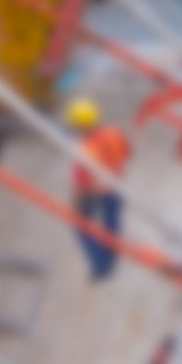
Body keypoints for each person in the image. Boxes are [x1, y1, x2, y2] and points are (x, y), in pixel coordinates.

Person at [66, 97, 130, 283]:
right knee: (112, 222)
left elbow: (81, 181)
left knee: (82, 227)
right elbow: (127, 152)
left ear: (81, 125)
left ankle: (101, 267)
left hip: (94, 190)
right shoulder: (114, 133)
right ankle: (112, 256)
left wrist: (76, 202)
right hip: (116, 184)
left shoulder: (85, 149)